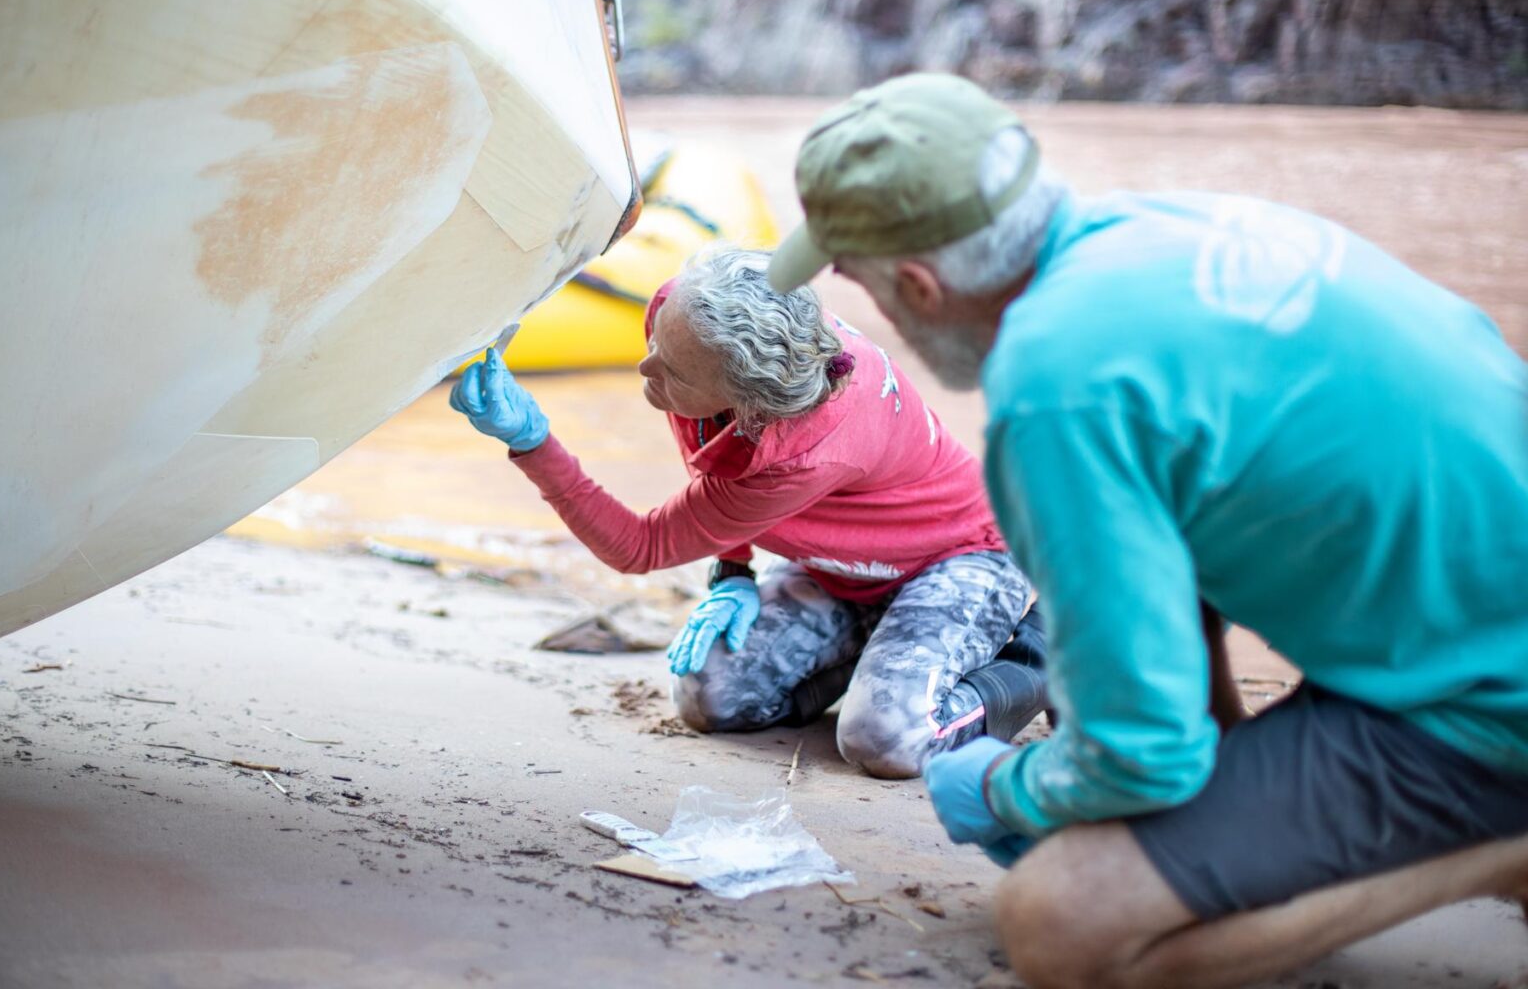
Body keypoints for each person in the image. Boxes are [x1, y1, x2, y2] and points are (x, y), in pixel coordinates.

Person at [767, 72, 1528, 987]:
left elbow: (1138, 760)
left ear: (920, 287)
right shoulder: (1164, 227)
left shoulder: (1054, 386)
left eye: (860, 281)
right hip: (1455, 629)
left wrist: (1004, 786)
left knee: (1059, 924)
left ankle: (1501, 847)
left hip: (1485, 699)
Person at [449, 246, 1050, 779]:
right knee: (714, 699)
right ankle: (877, 656)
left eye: (674, 371)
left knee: (887, 741)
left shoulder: (801, 456)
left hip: (962, 556)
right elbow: (708, 467)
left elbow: (642, 546)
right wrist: (730, 571)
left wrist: (532, 443)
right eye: (659, 341)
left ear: (752, 408)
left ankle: (1038, 656)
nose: (646, 368)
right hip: (843, 569)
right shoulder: (691, 312)